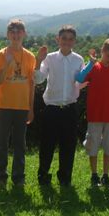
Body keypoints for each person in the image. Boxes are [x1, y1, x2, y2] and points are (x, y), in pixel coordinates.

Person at [33, 25, 85, 187]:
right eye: (64, 38)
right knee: (47, 145)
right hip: (52, 109)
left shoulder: (79, 60)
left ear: (74, 41)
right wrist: (38, 61)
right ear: (58, 39)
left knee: (68, 146)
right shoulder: (49, 58)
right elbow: (38, 79)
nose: (67, 42)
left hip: (70, 108)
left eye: (70, 39)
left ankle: (65, 178)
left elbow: (81, 81)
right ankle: (43, 176)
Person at [76, 38, 109, 187]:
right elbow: (79, 79)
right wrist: (90, 63)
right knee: (92, 146)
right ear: (102, 51)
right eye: (108, 55)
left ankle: (105, 175)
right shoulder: (93, 67)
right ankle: (94, 175)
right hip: (95, 115)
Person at [0, 19, 36, 187]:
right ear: (7, 35)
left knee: (20, 144)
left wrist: (31, 108)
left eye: (19, 32)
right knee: (2, 144)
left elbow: (31, 84)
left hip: (22, 106)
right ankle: (0, 177)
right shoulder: (1, 54)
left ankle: (19, 177)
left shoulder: (30, 57)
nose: (16, 35)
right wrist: (7, 63)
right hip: (4, 106)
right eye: (12, 32)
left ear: (24, 34)